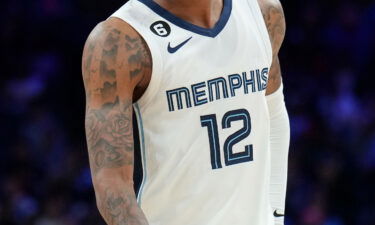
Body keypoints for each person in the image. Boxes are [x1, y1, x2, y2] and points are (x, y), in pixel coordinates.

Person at [81, 0, 290, 224]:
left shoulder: (263, 12)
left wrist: (276, 216)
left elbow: (274, 115)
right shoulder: (119, 41)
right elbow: (112, 185)